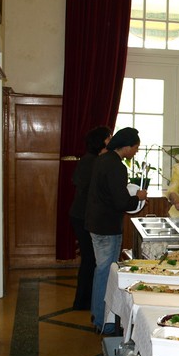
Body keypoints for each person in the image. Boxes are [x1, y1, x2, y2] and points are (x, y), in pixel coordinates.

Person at [85, 127, 148, 334]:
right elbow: (121, 202)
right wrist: (138, 197)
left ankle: (98, 316)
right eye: (135, 147)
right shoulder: (117, 166)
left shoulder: (102, 159)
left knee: (101, 270)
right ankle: (103, 320)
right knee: (106, 272)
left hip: (96, 223)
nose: (136, 151)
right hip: (107, 226)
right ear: (127, 146)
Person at [69, 126, 111, 310]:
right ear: (101, 141)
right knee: (89, 259)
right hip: (84, 216)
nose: (111, 140)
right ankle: (83, 301)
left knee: (90, 259)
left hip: (82, 215)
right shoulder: (93, 161)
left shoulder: (91, 159)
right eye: (109, 137)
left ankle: (84, 300)